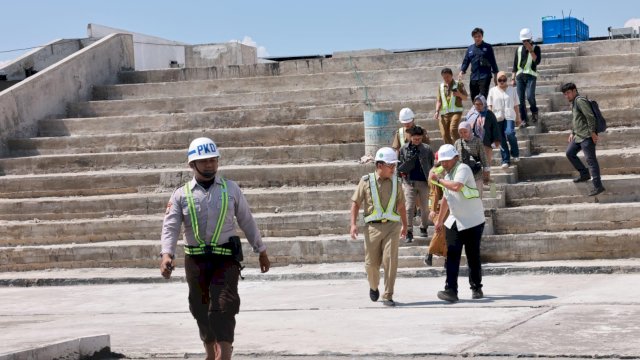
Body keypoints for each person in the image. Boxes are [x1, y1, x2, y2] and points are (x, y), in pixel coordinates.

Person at [160, 137, 271, 360]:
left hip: (225, 259)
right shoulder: (181, 195)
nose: (210, 165)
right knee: (199, 308)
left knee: (224, 304)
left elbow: (247, 220)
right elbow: (170, 226)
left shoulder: (231, 189)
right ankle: (210, 352)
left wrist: (261, 250)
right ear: (192, 165)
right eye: (204, 161)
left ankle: (225, 354)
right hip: (196, 261)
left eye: (213, 160)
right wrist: (166, 254)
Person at [350, 147, 408, 307]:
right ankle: (373, 286)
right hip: (372, 229)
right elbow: (355, 203)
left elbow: (401, 206)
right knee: (371, 265)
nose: (393, 169)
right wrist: (353, 224)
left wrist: (405, 225)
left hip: (392, 227)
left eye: (394, 166)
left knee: (390, 260)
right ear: (380, 165)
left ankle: (388, 295)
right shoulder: (366, 181)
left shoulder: (397, 182)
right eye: (391, 165)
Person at [429, 144, 485, 303]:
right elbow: (446, 198)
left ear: (455, 158)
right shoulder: (447, 175)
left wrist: (438, 179)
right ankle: (451, 290)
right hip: (455, 219)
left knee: (472, 255)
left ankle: (476, 287)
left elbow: (457, 186)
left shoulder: (463, 169)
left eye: (447, 160)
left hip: (473, 220)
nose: (444, 164)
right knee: (452, 255)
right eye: (442, 161)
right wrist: (440, 220)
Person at [561, 83, 606, 196]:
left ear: (574, 91)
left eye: (568, 93)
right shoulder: (574, 102)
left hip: (587, 136)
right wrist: (573, 132)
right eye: (565, 94)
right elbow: (577, 119)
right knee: (570, 153)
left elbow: (590, 116)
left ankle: (598, 186)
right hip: (578, 136)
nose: (567, 96)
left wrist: (592, 133)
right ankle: (584, 174)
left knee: (591, 161)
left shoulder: (580, 100)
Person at [398, 126, 435, 243]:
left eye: (419, 139)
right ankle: (409, 231)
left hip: (424, 182)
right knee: (409, 207)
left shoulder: (427, 149)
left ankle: (424, 227)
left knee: (425, 209)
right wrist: (399, 180)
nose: (417, 141)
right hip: (409, 182)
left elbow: (433, 164)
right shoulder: (403, 149)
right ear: (410, 137)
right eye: (415, 139)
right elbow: (399, 165)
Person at [488, 71, 521, 168]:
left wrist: (518, 117)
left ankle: (515, 153)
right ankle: (505, 159)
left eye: (504, 79)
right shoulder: (492, 91)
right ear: (496, 80)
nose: (502, 81)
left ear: (506, 79)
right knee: (501, 139)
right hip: (497, 117)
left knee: (510, 132)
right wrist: (490, 119)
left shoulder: (512, 90)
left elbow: (516, 104)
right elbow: (490, 105)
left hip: (509, 116)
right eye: (500, 80)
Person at [458, 27, 499, 101]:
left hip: (485, 76)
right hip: (474, 77)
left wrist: (496, 74)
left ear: (482, 36)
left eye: (479, 36)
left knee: (482, 97)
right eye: (475, 37)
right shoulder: (470, 49)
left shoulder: (488, 47)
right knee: (474, 98)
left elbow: (493, 61)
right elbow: (466, 61)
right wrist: (462, 71)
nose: (477, 38)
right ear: (473, 37)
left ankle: (483, 112)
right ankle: (476, 112)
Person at [511, 28, 542, 128]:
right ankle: (524, 119)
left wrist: (531, 50)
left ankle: (534, 111)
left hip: (531, 76)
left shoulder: (536, 48)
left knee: (529, 96)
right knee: (520, 99)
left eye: (526, 40)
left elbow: (537, 62)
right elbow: (515, 65)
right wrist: (512, 78)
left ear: (531, 39)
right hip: (520, 76)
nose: (525, 42)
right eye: (523, 41)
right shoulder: (519, 49)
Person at [465, 95, 501, 172]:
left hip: (486, 143)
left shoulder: (489, 114)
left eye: (481, 104)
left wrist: (496, 140)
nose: (478, 106)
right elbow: (466, 127)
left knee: (486, 165)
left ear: (484, 104)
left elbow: (495, 127)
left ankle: (486, 180)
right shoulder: (470, 114)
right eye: (476, 104)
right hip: (473, 143)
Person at [424, 153, 448, 266]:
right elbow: (434, 193)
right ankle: (429, 253)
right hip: (438, 207)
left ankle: (446, 257)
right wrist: (432, 210)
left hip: (447, 206)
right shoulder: (436, 172)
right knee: (440, 230)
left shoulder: (444, 171)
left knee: (447, 232)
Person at [454, 121, 490, 197]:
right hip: (462, 174)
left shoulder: (477, 141)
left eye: (465, 132)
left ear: (469, 130)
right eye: (461, 132)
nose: (463, 134)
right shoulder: (457, 143)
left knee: (477, 195)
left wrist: (486, 171)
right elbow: (455, 158)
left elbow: (483, 156)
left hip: (476, 174)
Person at [434, 67, 469, 144]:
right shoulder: (440, 86)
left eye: (447, 77)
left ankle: (460, 146)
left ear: (452, 75)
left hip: (456, 112)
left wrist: (459, 94)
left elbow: (465, 98)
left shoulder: (459, 84)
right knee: (444, 134)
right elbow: (439, 101)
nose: (446, 79)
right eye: (444, 77)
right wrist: (437, 111)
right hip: (444, 114)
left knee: (453, 129)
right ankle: (451, 150)